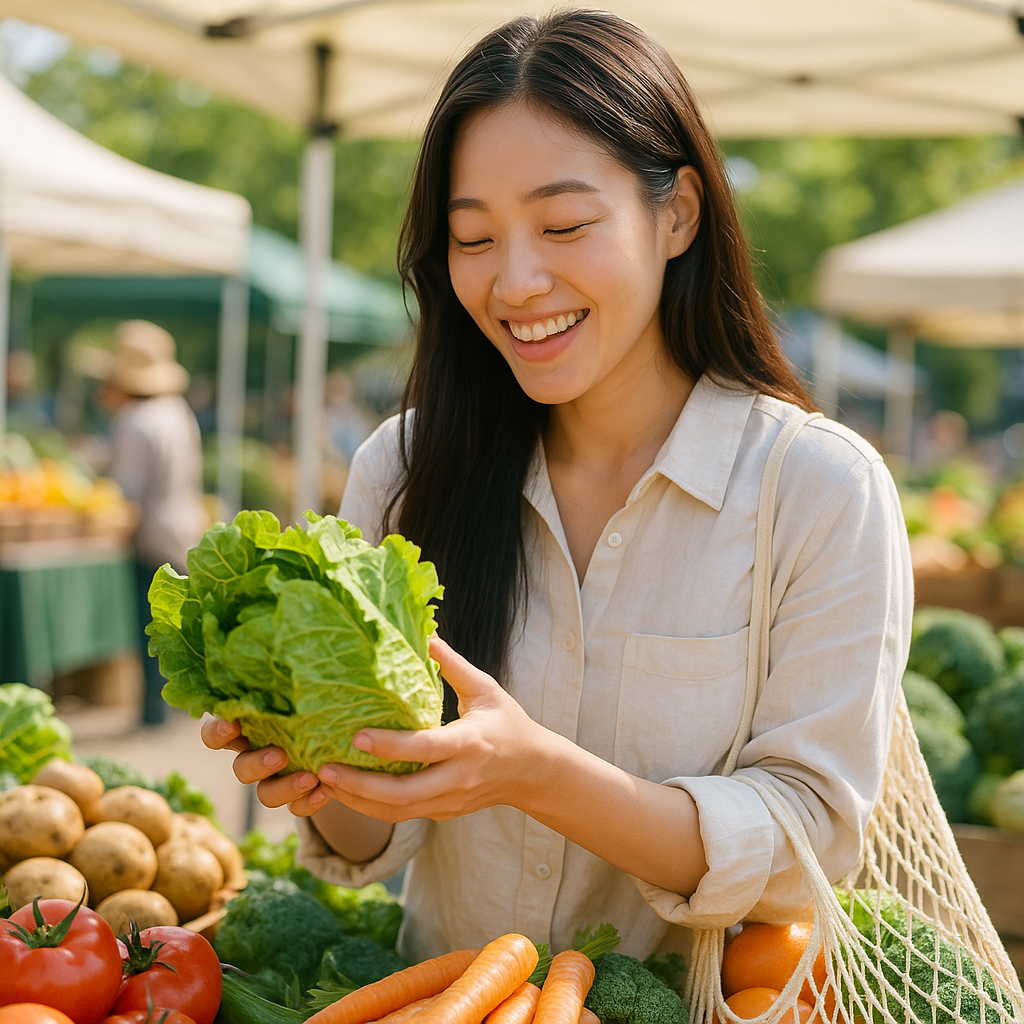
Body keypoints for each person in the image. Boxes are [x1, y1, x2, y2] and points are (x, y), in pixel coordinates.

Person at [203, 10, 912, 963]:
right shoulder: (404, 469)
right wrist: (327, 765)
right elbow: (372, 847)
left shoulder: (820, 491)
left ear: (678, 213)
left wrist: (535, 775)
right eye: (472, 238)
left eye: (565, 224)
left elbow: (807, 851)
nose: (517, 282)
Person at [97, 320, 206, 726]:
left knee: (149, 629)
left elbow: (127, 491)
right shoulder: (178, 411)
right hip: (184, 528)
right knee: (174, 625)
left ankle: (152, 713)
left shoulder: (135, 421)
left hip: (151, 535)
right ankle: (176, 708)